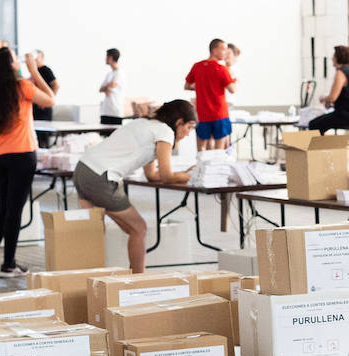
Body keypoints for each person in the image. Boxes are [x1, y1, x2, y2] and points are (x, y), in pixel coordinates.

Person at [74, 100, 198, 272]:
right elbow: (166, 176)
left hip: (83, 168)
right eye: (189, 127)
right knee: (138, 228)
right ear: (179, 123)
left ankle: (88, 281)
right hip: (101, 177)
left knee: (94, 230)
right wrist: (192, 175)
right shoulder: (165, 132)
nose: (188, 133)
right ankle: (138, 281)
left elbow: (152, 175)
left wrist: (182, 175)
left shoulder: (145, 123)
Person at [0, 47, 54, 278]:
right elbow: (50, 100)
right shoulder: (22, 86)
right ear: (11, 65)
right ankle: (8, 264)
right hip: (22, 154)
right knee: (15, 210)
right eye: (15, 58)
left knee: (3, 208)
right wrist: (34, 70)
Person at [184, 39, 238, 150]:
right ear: (214, 50)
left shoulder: (197, 67)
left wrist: (201, 87)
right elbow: (233, 89)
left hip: (202, 114)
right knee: (219, 150)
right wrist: (232, 74)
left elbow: (187, 86)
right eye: (223, 49)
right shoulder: (222, 69)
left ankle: (202, 167)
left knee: (202, 149)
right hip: (219, 114)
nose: (226, 52)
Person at [306, 45, 349, 134]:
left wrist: (323, 98)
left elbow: (332, 97)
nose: (332, 58)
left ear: (338, 57)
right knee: (322, 121)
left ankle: (320, 147)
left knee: (313, 124)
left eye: (334, 55)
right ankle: (325, 145)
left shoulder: (341, 72)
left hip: (347, 116)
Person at [99, 48, 125, 125]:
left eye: (106, 56)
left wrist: (107, 87)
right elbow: (100, 89)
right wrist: (108, 86)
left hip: (115, 112)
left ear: (110, 57)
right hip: (105, 112)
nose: (105, 59)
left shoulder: (119, 73)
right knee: (103, 136)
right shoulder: (109, 74)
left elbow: (113, 86)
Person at [32, 50, 58, 122]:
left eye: (37, 57)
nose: (35, 59)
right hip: (36, 106)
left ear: (42, 58)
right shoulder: (35, 71)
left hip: (44, 107)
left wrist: (48, 100)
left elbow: (56, 85)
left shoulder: (45, 70)